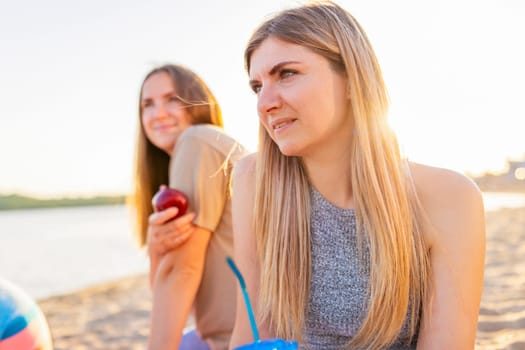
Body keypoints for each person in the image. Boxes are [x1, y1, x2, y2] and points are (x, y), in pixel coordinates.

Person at [229, 2, 486, 349]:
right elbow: (253, 331)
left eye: (286, 74)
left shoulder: (448, 197)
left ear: (351, 79)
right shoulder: (253, 179)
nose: (265, 103)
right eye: (257, 87)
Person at [130, 64, 248, 350]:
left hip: (242, 339)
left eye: (173, 99)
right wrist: (158, 251)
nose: (158, 113)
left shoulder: (196, 141)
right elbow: (166, 283)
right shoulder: (203, 146)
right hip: (217, 335)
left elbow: (182, 273)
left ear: (198, 103)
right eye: (148, 104)